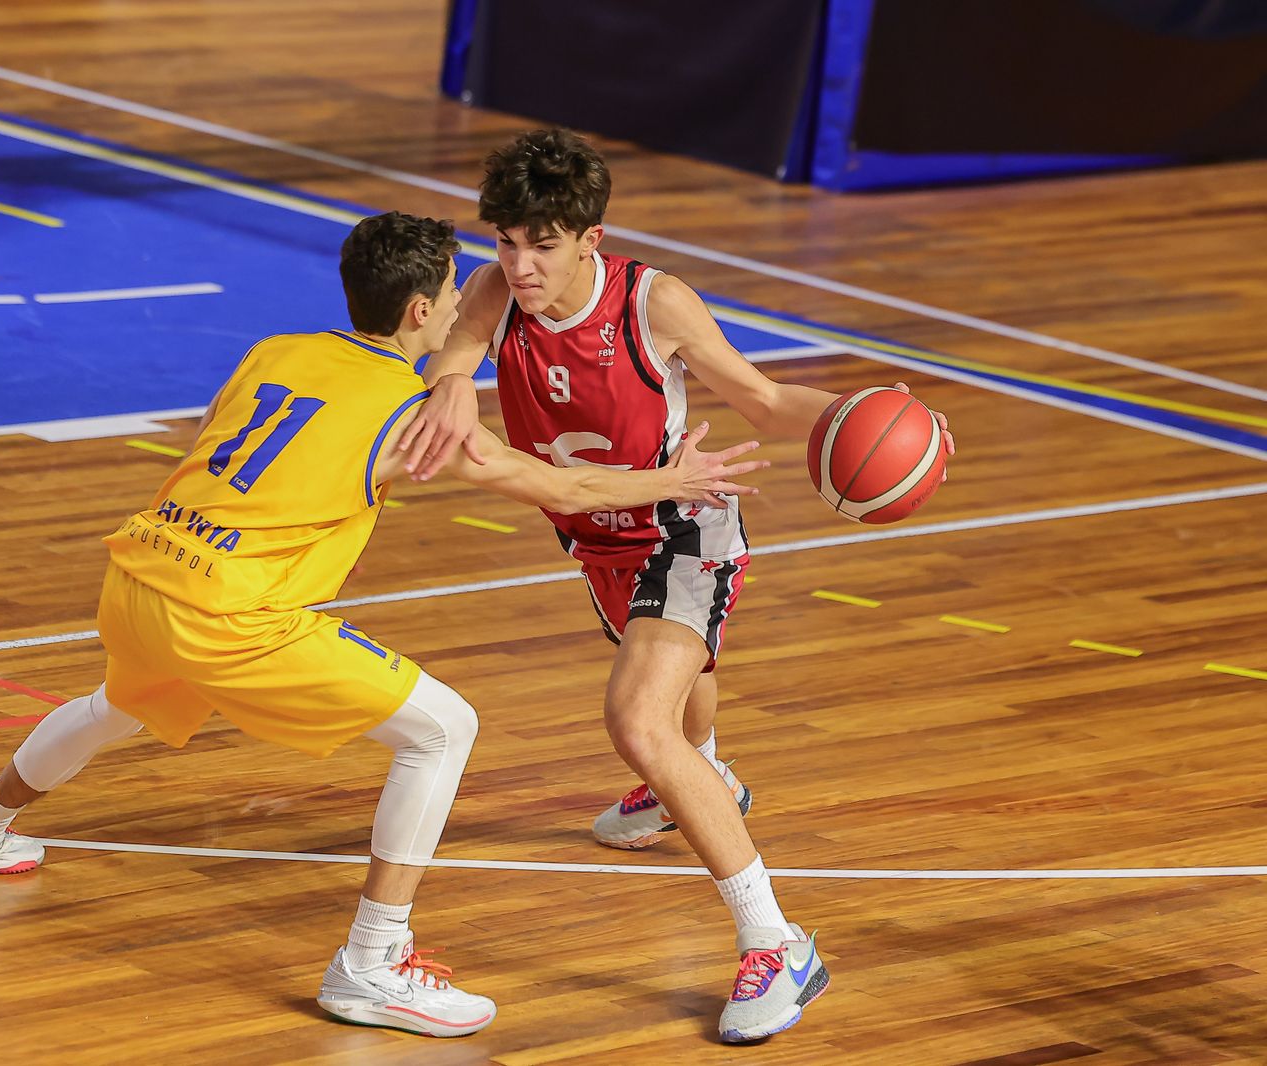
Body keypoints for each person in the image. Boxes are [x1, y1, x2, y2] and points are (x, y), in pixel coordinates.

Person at [0, 210, 768, 1039]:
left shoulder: (278, 350)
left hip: (141, 569)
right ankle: (372, 963)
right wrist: (671, 481)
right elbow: (563, 487)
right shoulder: (412, 414)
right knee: (443, 730)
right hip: (231, 612)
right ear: (421, 312)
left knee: (117, 705)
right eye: (452, 288)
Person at [399, 129, 955, 1043]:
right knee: (673, 701)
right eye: (506, 242)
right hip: (594, 534)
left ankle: (776, 941)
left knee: (637, 721)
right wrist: (455, 379)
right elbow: (453, 352)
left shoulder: (653, 304)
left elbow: (767, 400)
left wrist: (896, 424)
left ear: (591, 237)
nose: (520, 264)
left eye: (542, 244)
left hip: (686, 523)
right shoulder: (499, 294)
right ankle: (694, 782)